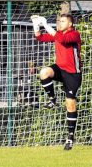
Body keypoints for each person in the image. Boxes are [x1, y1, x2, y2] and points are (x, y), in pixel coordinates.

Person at [31, 14, 82, 150]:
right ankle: (52, 99)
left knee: (70, 105)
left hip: (72, 74)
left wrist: (45, 24)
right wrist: (37, 24)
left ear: (70, 24)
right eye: (59, 21)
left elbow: (62, 39)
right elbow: (40, 37)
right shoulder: (58, 33)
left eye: (63, 21)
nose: (60, 22)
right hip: (60, 69)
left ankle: (70, 137)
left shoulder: (74, 34)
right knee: (44, 72)